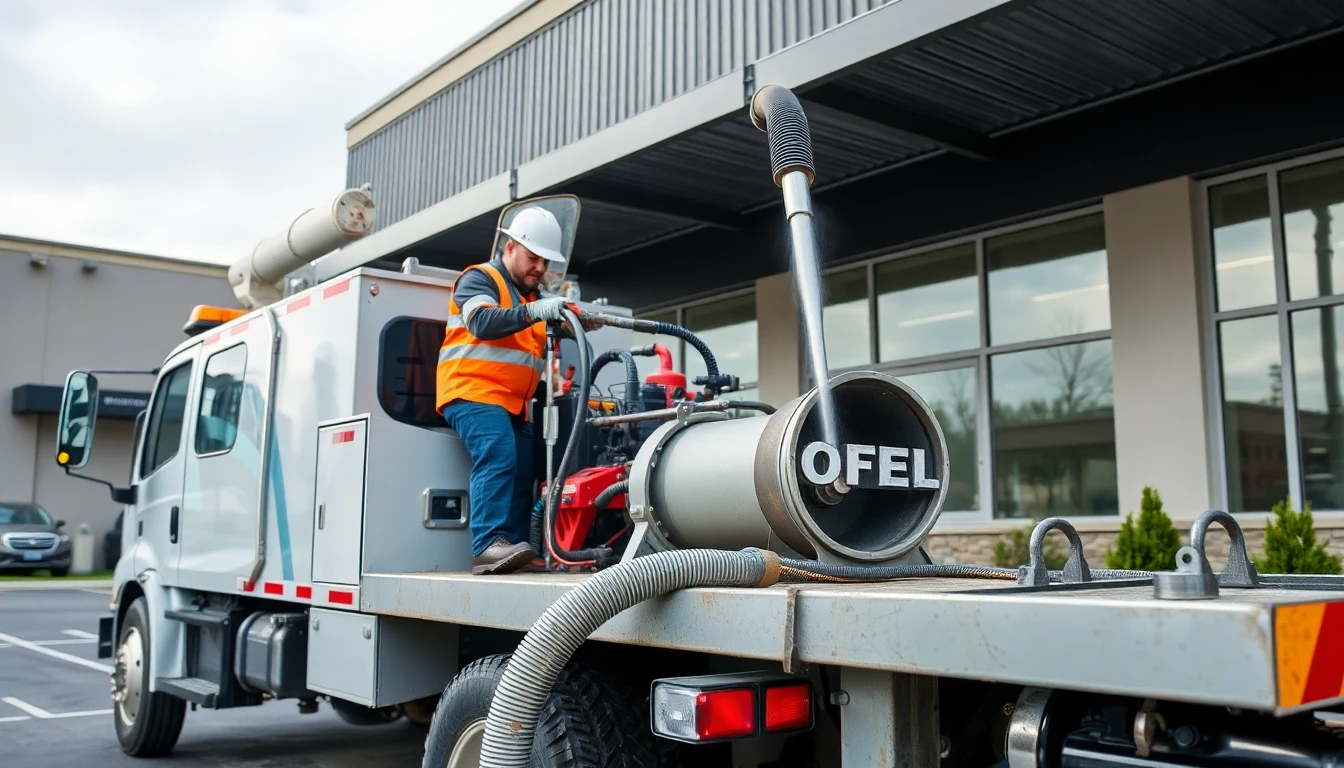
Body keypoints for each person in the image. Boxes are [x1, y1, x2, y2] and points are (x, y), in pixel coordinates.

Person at [436, 206, 573, 575]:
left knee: (524, 467)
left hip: (512, 403)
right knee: (499, 454)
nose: (540, 269)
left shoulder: (530, 297)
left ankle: (511, 551)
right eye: (533, 258)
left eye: (545, 263)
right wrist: (537, 313)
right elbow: (480, 321)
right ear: (511, 248)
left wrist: (575, 322)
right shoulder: (480, 278)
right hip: (472, 392)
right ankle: (486, 546)